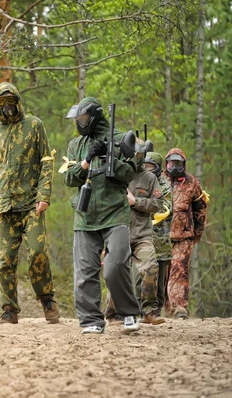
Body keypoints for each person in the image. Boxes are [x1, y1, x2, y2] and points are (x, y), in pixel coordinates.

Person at [0, 82, 59, 324]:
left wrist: (44, 195)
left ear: (17, 101)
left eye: (10, 101)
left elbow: (47, 161)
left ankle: (47, 300)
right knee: (5, 260)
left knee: (37, 252)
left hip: (31, 203)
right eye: (2, 102)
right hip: (4, 206)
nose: (7, 107)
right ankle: (9, 309)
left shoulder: (34, 125)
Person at [64, 97, 141, 334]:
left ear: (95, 116)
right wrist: (87, 159)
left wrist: (111, 160)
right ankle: (91, 320)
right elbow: (69, 178)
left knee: (115, 266)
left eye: (83, 119)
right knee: (85, 272)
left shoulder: (120, 139)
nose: (79, 123)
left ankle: (127, 313)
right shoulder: (75, 145)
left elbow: (131, 172)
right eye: (77, 119)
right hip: (85, 215)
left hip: (114, 212)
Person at [104, 140, 165, 325]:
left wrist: (136, 201)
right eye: (134, 155)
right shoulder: (115, 174)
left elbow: (158, 205)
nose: (137, 159)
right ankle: (113, 314)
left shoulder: (149, 178)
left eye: (140, 156)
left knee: (150, 267)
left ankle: (148, 311)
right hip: (117, 233)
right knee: (116, 272)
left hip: (141, 235)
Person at [164, 148, 207, 319]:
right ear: (166, 163)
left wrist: (197, 232)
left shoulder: (192, 183)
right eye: (172, 162)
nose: (174, 166)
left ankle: (179, 307)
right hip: (160, 236)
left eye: (178, 163)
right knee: (162, 273)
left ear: (184, 164)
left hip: (183, 237)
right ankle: (163, 309)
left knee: (179, 270)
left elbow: (200, 209)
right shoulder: (157, 180)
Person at [144, 152, 173, 317]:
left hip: (161, 241)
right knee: (145, 277)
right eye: (145, 166)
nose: (147, 170)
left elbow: (164, 208)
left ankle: (156, 310)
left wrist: (143, 204)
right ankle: (146, 310)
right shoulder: (141, 181)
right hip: (143, 237)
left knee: (160, 281)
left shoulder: (164, 187)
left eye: (150, 167)